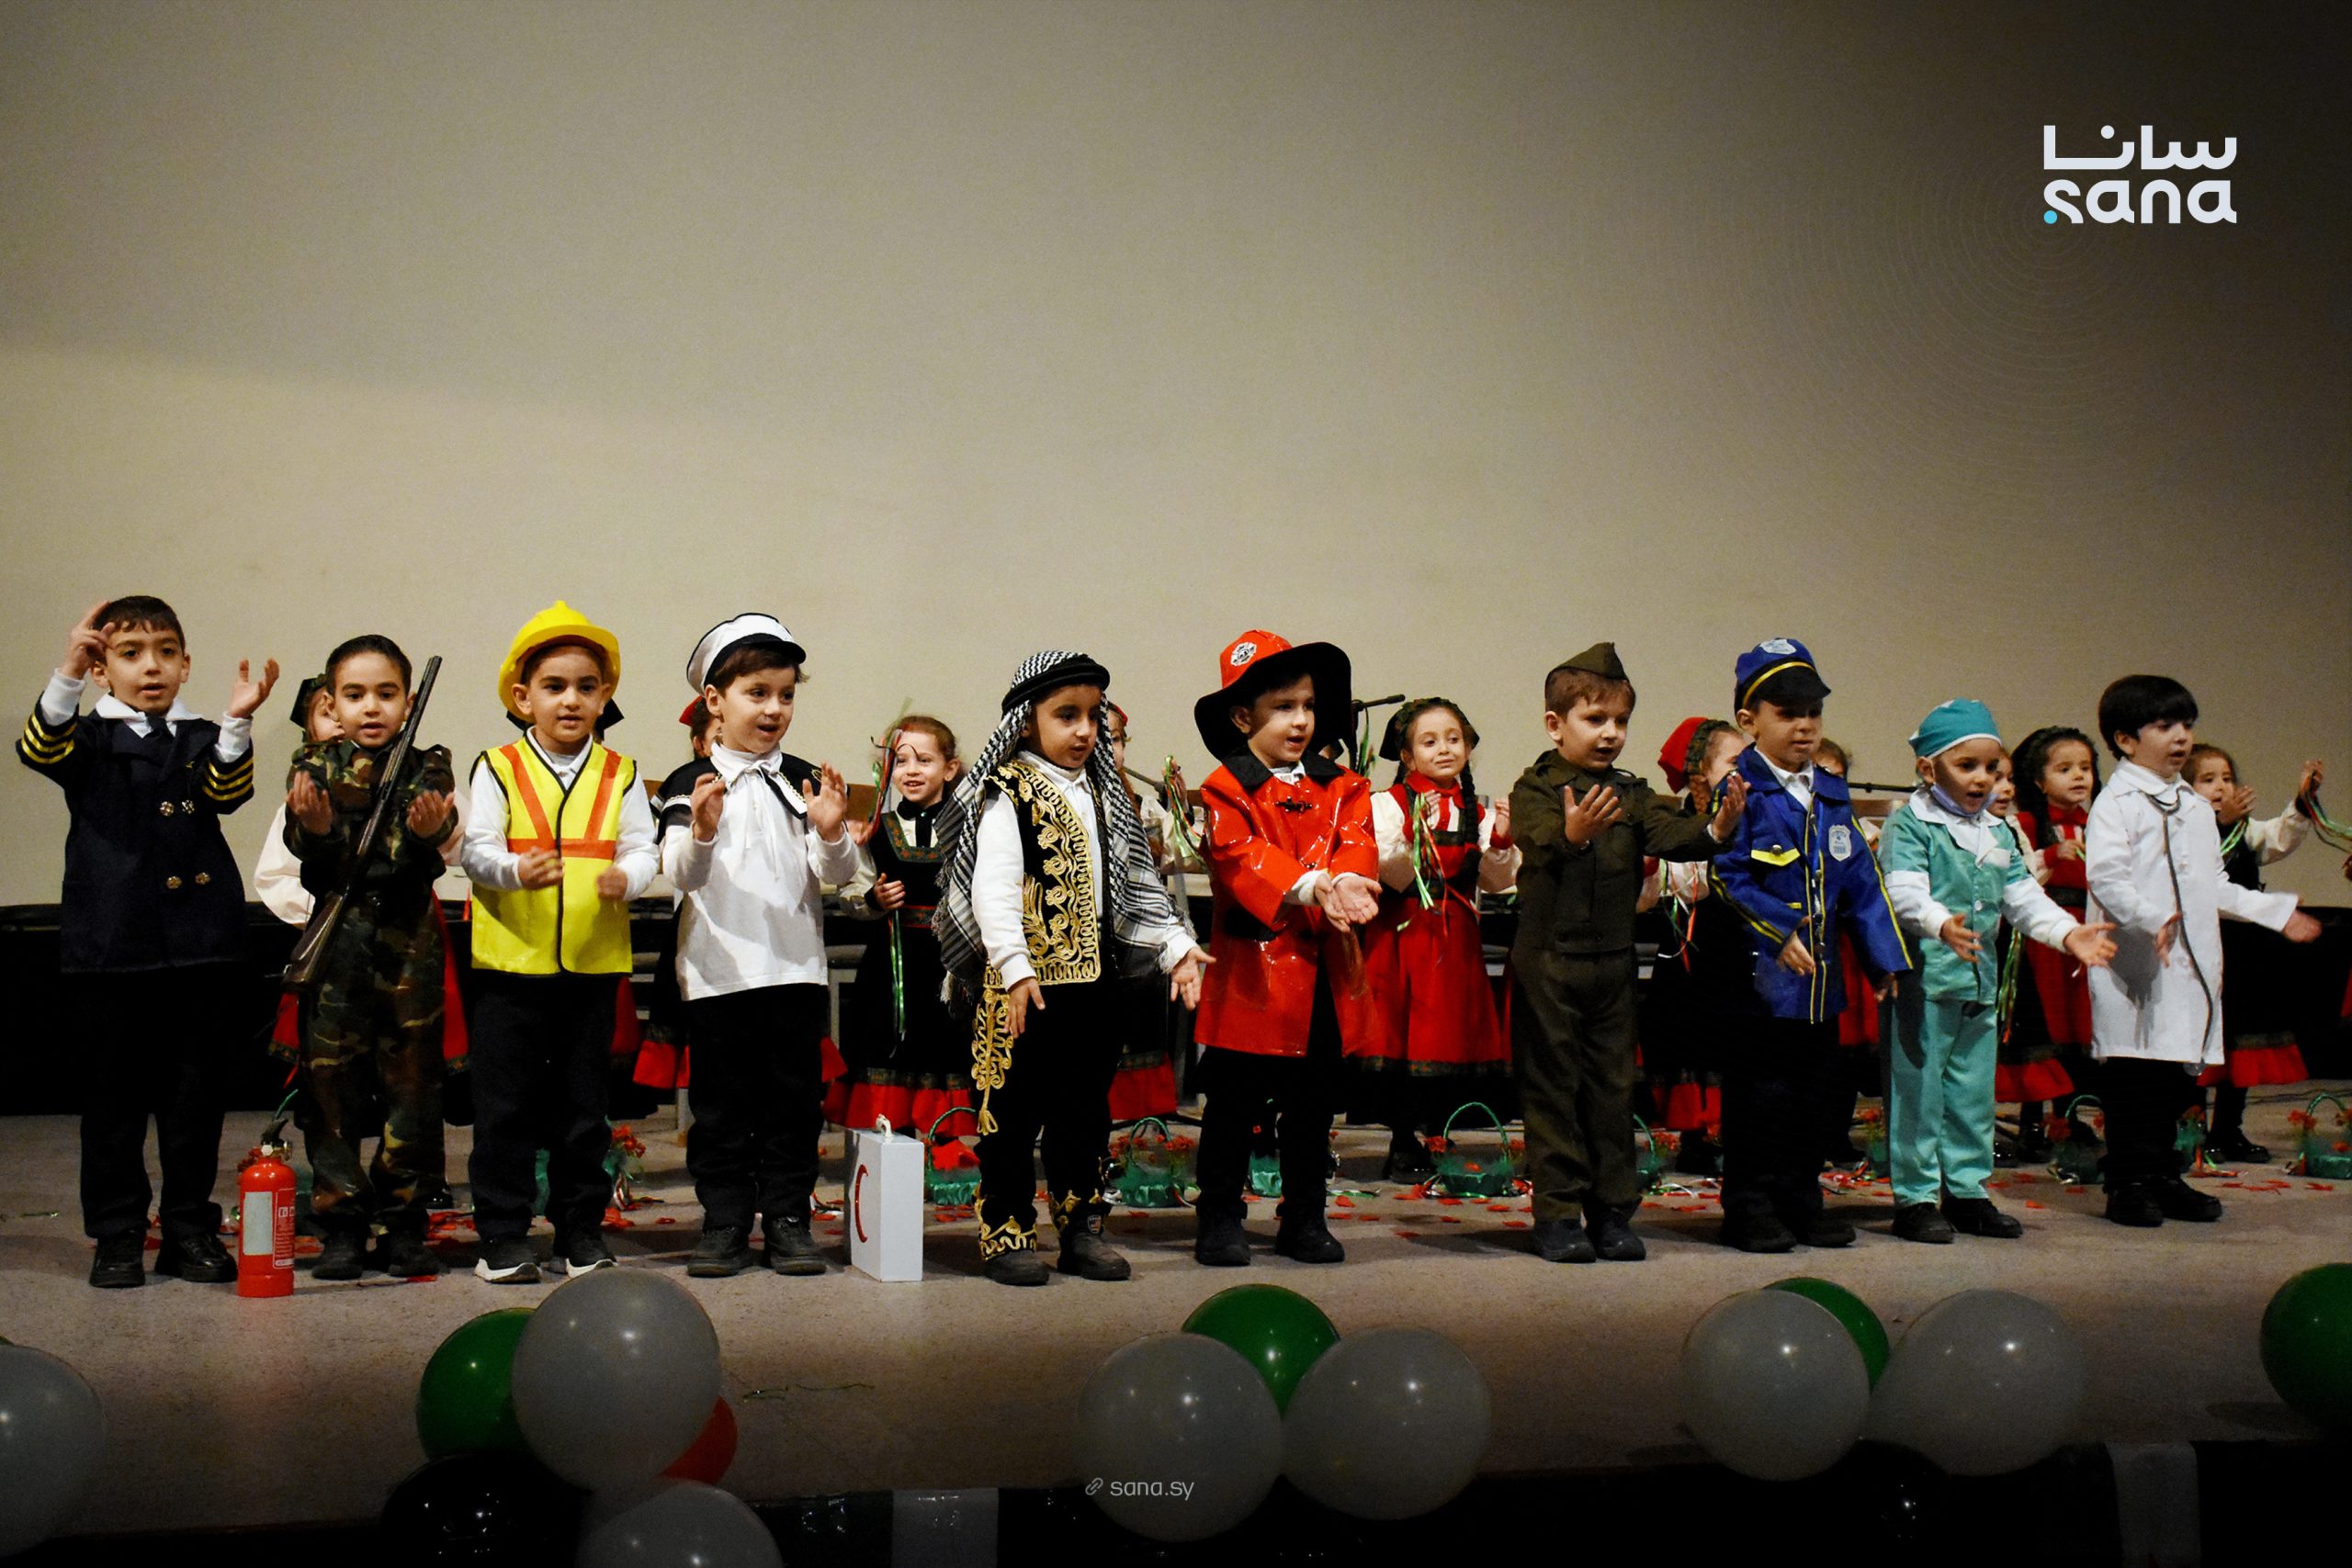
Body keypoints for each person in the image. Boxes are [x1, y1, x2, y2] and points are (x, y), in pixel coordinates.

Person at [18, 597, 275, 1288]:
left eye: (165, 652)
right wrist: (67, 670)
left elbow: (228, 792)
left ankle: (189, 1227)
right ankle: (118, 1232)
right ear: (103, 670)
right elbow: (38, 748)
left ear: (186, 664)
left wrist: (239, 719)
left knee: (195, 1099)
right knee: (113, 1101)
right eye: (130, 654)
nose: (151, 667)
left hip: (200, 942)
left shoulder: (203, 735)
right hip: (113, 945)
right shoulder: (88, 738)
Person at [935, 654, 1206, 1284]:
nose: (1084, 730)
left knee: (1084, 1116)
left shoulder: (1107, 795)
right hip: (1020, 991)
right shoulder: (1007, 791)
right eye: (1066, 715)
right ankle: (1007, 1231)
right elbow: (992, 889)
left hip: (1094, 987)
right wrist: (1013, 965)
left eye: (1093, 716)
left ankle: (1082, 1228)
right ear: (1026, 722)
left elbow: (1136, 887)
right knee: (1010, 1116)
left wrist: (1174, 944)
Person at [1510, 647, 1743, 1261]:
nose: (1610, 733)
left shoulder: (1630, 793)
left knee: (1612, 1091)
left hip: (1612, 964)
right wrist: (1573, 833)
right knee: (1554, 1091)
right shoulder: (1535, 788)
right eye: (1595, 719)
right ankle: (1558, 1214)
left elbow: (1672, 835)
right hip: (1550, 963)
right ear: (1555, 724)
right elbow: (1536, 837)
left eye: (1620, 721)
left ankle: (1612, 1212)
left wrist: (1716, 828)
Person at [459, 603, 659, 1283]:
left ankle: (579, 1232)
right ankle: (502, 1236)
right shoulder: (498, 767)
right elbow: (476, 850)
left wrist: (630, 876)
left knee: (583, 1112)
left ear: (605, 697)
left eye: (585, 686)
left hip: (590, 967)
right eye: (554, 686)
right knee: (505, 1110)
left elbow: (643, 848)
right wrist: (515, 870)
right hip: (509, 968)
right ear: (523, 698)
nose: (570, 700)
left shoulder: (620, 772)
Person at [657, 615, 860, 1277]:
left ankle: (788, 1220)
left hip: (794, 970)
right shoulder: (688, 782)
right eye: (757, 693)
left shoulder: (804, 778)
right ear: (715, 700)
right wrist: (703, 830)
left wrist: (832, 831)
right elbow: (680, 873)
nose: (774, 709)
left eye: (786, 694)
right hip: (717, 973)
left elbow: (837, 873)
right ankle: (723, 1221)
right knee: (720, 1109)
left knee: (793, 1105)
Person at [2084, 676, 2320, 1226]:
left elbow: (2213, 884)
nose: (2181, 737)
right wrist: (2153, 918)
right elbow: (2107, 879)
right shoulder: (2115, 804)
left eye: (2186, 725)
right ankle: (2127, 1183)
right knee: (2135, 1077)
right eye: (2164, 726)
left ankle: (2163, 1176)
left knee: (2175, 1080)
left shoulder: (2192, 806)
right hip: (2138, 963)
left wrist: (2277, 913)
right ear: (2125, 739)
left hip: (2190, 965)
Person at [1877, 701, 2116, 1243]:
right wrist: (1940, 923)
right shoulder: (1911, 823)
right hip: (1925, 983)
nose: (1982, 778)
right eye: (1967, 766)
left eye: (1991, 767)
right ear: (1928, 769)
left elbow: (2022, 896)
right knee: (1918, 1093)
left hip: (1979, 984)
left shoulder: (1997, 830)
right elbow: (1903, 890)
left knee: (1971, 1093)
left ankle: (1966, 1191)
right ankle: (1915, 1197)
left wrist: (2067, 933)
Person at [1709, 638, 1912, 1252]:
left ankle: (1802, 1197)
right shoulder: (1740, 791)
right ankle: (1750, 1206)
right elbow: (1728, 875)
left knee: (1814, 1098)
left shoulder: (1830, 792)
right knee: (1760, 1099)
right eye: (1787, 712)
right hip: (1760, 988)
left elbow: (1861, 883)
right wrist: (1778, 932)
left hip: (1820, 986)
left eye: (1813, 712)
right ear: (1749, 720)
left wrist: (1883, 958)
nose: (1804, 725)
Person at [1187, 630, 1378, 1268]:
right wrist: (1313, 885)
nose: (1300, 721)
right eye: (1283, 708)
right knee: (1232, 1106)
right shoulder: (1225, 788)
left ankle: (1304, 1215)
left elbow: (1357, 841)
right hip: (1253, 978)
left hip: (1322, 977)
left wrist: (1347, 879)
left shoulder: (1344, 786)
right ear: (1243, 717)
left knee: (1312, 1105)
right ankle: (1220, 1216)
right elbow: (1239, 856)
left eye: (1308, 706)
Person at [283, 634, 456, 1279]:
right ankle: (343, 1225)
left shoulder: (428, 766)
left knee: (413, 1086)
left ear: (409, 701)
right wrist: (318, 830)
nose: (372, 707)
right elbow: (306, 845)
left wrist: (431, 831)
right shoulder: (313, 763)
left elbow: (425, 841)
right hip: (339, 943)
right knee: (330, 1088)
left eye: (386, 694)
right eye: (355, 695)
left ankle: (406, 1223)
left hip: (408, 943)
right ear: (331, 703)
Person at [1349, 698, 1519, 1180]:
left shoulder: (1476, 812)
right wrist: (1412, 835)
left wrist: (1502, 840)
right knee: (1404, 1033)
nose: (1444, 749)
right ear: (1407, 756)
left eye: (1453, 739)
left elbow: (1497, 880)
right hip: (1402, 937)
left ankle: (1440, 1133)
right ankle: (1403, 1138)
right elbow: (1387, 869)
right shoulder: (1386, 805)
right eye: (1429, 741)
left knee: (1451, 1034)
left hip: (1455, 939)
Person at [2183, 744, 2323, 1162]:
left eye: (2227, 778)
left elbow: (2279, 838)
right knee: (2199, 1042)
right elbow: (2202, 876)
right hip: (2202, 948)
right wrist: (2221, 823)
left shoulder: (2246, 829)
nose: (2221, 787)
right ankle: (2189, 1132)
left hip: (2245, 950)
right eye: (2208, 780)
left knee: (2240, 1045)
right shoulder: (2184, 831)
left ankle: (2228, 1129)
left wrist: (2303, 802)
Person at [833, 715, 972, 1134]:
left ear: (949, 768)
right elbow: (851, 889)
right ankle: (892, 1144)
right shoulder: (876, 830)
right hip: (891, 968)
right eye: (901, 761)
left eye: (924, 761)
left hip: (950, 965)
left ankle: (946, 1146)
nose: (911, 771)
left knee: (947, 1047)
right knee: (889, 1045)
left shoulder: (971, 828)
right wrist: (873, 899)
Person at [1638, 717, 1747, 1174]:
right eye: (1735, 762)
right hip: (1691, 952)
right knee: (1693, 1038)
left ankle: (1736, 1133)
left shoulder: (1759, 817)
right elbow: (1664, 890)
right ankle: (1697, 1135)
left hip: (1738, 950)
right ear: (1702, 771)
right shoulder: (1676, 825)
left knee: (1736, 1038)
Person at [2006, 725, 2104, 1159]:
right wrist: (2050, 855)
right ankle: (2031, 1122)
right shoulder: (2026, 824)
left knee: (2077, 1030)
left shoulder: (2098, 826)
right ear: (2040, 781)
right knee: (2043, 1030)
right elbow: (2019, 877)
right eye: (2065, 769)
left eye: (2085, 767)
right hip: (2044, 940)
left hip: (2087, 931)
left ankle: (2067, 1119)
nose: (2079, 776)